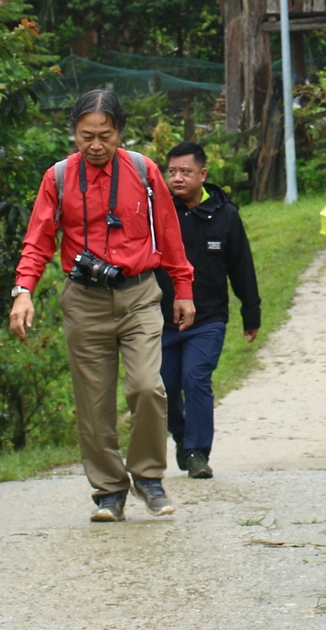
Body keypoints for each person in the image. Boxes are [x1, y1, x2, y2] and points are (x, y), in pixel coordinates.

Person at [11, 89, 194, 523]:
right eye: (85, 136)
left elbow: (168, 231)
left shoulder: (143, 170)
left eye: (104, 136)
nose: (95, 145)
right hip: (84, 300)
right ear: (73, 133)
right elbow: (38, 239)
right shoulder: (57, 178)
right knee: (93, 404)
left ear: (119, 133)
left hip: (139, 295)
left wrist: (182, 287)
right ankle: (109, 491)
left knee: (148, 386)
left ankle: (148, 475)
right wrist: (23, 291)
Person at [158, 141, 260, 480]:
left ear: (202, 174)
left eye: (185, 172)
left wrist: (251, 312)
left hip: (208, 318)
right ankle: (182, 435)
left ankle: (198, 452)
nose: (177, 178)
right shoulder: (157, 213)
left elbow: (241, 266)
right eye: (171, 172)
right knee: (166, 386)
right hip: (163, 320)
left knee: (195, 378)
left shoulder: (225, 215)